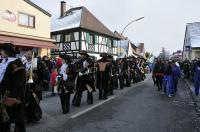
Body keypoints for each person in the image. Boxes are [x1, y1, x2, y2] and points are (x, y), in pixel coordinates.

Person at [0, 43, 26, 132]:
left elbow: (17, 83)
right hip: (3, 93)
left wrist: (11, 95)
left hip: (11, 94)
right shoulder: (3, 61)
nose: (1, 53)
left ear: (7, 52)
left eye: (2, 51)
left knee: (15, 118)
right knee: (4, 118)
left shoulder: (17, 63)